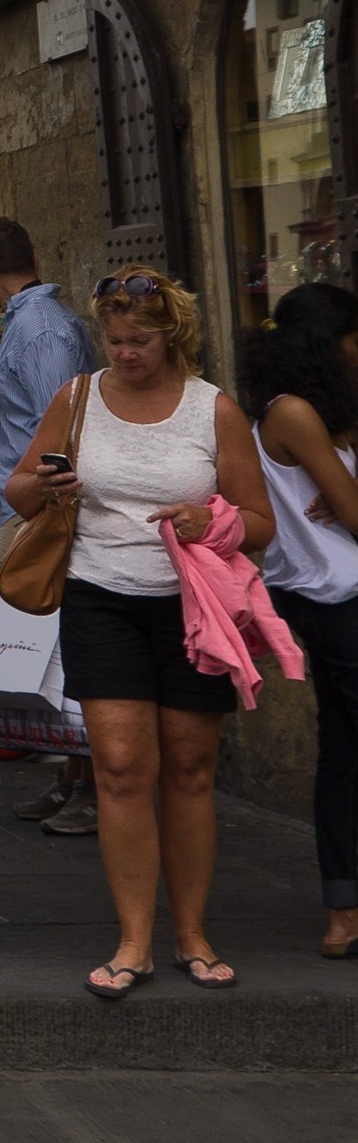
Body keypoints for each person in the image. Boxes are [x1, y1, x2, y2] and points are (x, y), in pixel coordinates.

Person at [4, 266, 271, 999]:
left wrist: (207, 521)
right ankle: (133, 941)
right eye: (115, 340)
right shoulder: (78, 397)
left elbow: (259, 524)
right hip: (99, 598)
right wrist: (47, 486)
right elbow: (18, 489)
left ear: (170, 335)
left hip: (191, 608)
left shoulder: (211, 411)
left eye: (139, 341)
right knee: (121, 766)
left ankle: (190, 934)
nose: (124, 354)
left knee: (188, 768)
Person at [239, 279, 358, 958]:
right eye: (350, 341)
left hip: (330, 595)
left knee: (342, 756)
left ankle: (342, 913)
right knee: (342, 757)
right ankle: (341, 911)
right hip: (334, 599)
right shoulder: (291, 414)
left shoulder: (319, 411)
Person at [0, 216, 101, 834]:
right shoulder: (29, 322)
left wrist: (51, 508)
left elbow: (64, 423)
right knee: (52, 655)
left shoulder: (42, 328)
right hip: (28, 507)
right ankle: (72, 777)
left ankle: (95, 788)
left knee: (70, 651)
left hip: (42, 513)